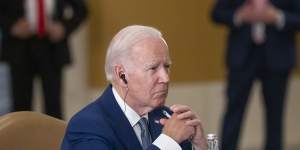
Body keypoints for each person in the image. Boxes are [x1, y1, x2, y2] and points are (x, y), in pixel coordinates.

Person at [61, 25, 208, 150]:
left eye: (167, 67)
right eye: (153, 68)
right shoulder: (87, 126)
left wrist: (200, 146)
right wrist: (168, 142)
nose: (165, 78)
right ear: (122, 75)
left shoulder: (165, 117)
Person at [211, 0, 300, 150]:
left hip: (277, 57)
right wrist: (240, 16)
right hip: (242, 58)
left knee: (275, 116)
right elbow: (216, 13)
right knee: (233, 112)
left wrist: (277, 17)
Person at [0, 0, 87, 119]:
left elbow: (82, 10)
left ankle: (54, 137)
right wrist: (12, 26)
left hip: (52, 49)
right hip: (20, 49)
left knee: (53, 105)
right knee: (21, 106)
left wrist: (64, 28)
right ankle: (21, 137)